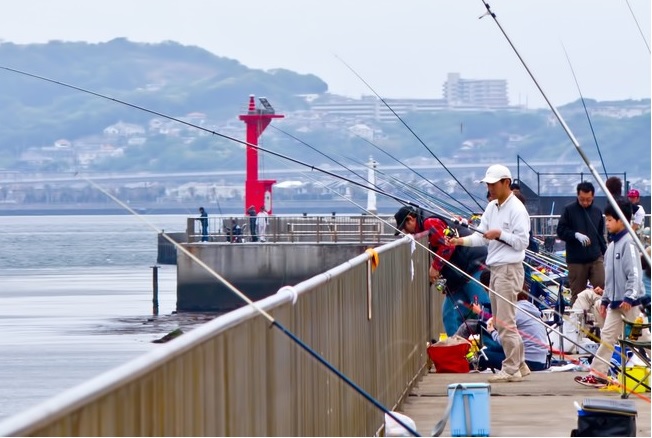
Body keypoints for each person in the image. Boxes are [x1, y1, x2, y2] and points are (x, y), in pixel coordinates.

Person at [448, 164, 531, 383]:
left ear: (506, 183)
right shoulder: (492, 207)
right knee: (502, 318)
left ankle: (511, 367)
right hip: (495, 269)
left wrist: (500, 234)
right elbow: (481, 237)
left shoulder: (517, 209)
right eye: (488, 184)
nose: (490, 188)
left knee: (504, 321)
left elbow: (523, 242)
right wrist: (460, 241)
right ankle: (520, 365)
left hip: (509, 270)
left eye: (493, 184)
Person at [575, 199, 645, 388]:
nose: (606, 223)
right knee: (607, 338)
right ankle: (598, 374)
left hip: (631, 303)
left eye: (610, 220)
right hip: (615, 304)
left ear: (621, 220)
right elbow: (610, 279)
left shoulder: (629, 243)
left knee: (645, 339)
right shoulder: (612, 246)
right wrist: (605, 300)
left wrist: (630, 296)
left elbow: (634, 274)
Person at [394, 205, 490, 336]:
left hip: (472, 268)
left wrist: (435, 267)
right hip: (458, 277)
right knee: (449, 315)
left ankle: (492, 349)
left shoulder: (429, 222)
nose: (407, 233)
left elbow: (447, 245)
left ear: (410, 219)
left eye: (405, 228)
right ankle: (457, 351)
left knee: (483, 311)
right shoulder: (428, 219)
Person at [556, 181, 607, 306]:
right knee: (578, 295)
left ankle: (600, 317)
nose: (585, 202)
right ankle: (576, 321)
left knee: (602, 287)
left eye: (588, 200)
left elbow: (600, 234)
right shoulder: (569, 210)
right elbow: (560, 231)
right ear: (577, 196)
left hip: (595, 257)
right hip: (576, 260)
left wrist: (605, 251)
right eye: (582, 199)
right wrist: (575, 235)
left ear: (593, 197)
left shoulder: (597, 211)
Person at [480, 289, 550, 372]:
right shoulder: (529, 307)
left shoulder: (513, 311)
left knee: (482, 356)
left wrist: (492, 331)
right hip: (541, 361)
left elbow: (505, 341)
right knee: (489, 350)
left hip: (528, 362)